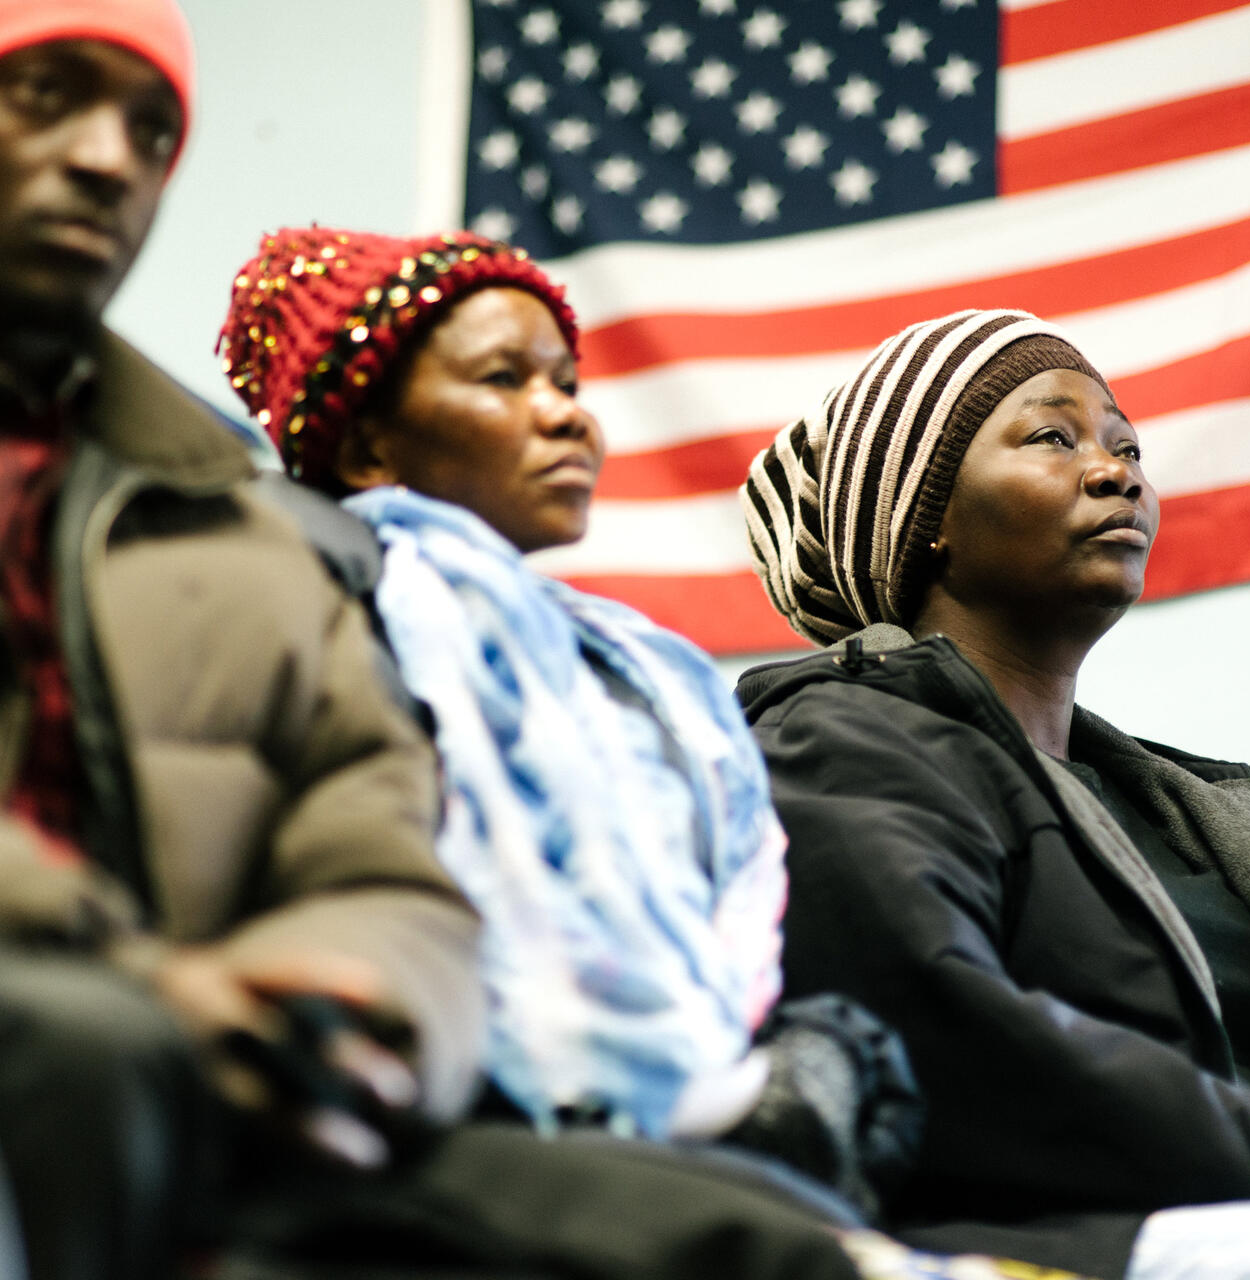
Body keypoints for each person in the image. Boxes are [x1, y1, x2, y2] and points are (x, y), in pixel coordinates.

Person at [216, 224, 927, 1215]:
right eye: (504, 380)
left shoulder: (632, 655)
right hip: (458, 1128)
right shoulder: (337, 613)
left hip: (717, 1091)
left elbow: (732, 875)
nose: (565, 419)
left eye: (566, 383)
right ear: (368, 444)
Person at [0, 2, 486, 1276]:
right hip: (80, 1037)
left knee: (695, 1217)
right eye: (44, 95)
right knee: (83, 1053)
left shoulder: (242, 523)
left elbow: (381, 845)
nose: (109, 156)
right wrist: (152, 980)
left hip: (214, 1063)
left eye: (151, 128)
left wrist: (347, 1011)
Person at [738, 308, 1250, 1280]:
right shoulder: (837, 739)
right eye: (1050, 437)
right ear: (926, 517)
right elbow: (947, 1042)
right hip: (1051, 1243)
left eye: (1126, 447)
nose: (1116, 471)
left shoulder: (1184, 806)